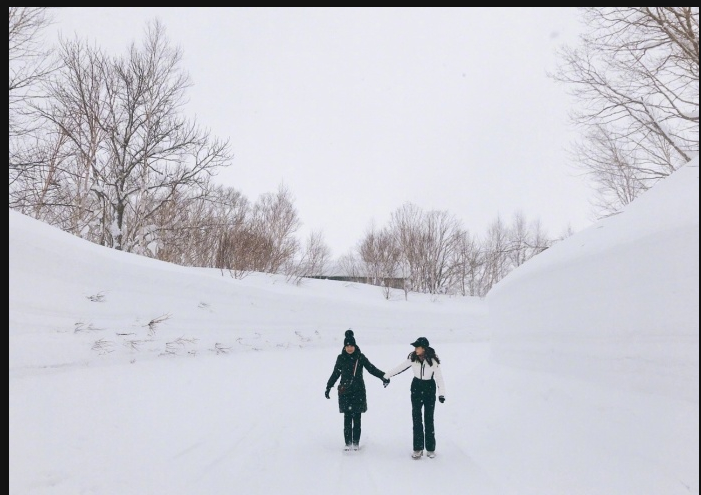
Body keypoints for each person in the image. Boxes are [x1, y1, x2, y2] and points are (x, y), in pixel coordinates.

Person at [325, 329, 390, 451]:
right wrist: (329, 386)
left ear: (355, 346)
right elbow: (335, 374)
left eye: (351, 346)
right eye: (347, 346)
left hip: (358, 391)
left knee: (357, 418)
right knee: (347, 418)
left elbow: (371, 368)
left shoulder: (360, 357)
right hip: (345, 392)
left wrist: (383, 376)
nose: (349, 348)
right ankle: (347, 443)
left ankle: (355, 443)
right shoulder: (341, 358)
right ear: (344, 347)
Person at [384, 336, 446, 459]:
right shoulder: (412, 358)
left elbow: (439, 377)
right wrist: (387, 375)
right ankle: (417, 448)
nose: (415, 349)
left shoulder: (433, 361)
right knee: (417, 418)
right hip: (416, 388)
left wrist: (441, 393)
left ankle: (430, 448)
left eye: (417, 347)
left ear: (424, 348)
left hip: (429, 388)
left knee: (429, 419)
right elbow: (400, 367)